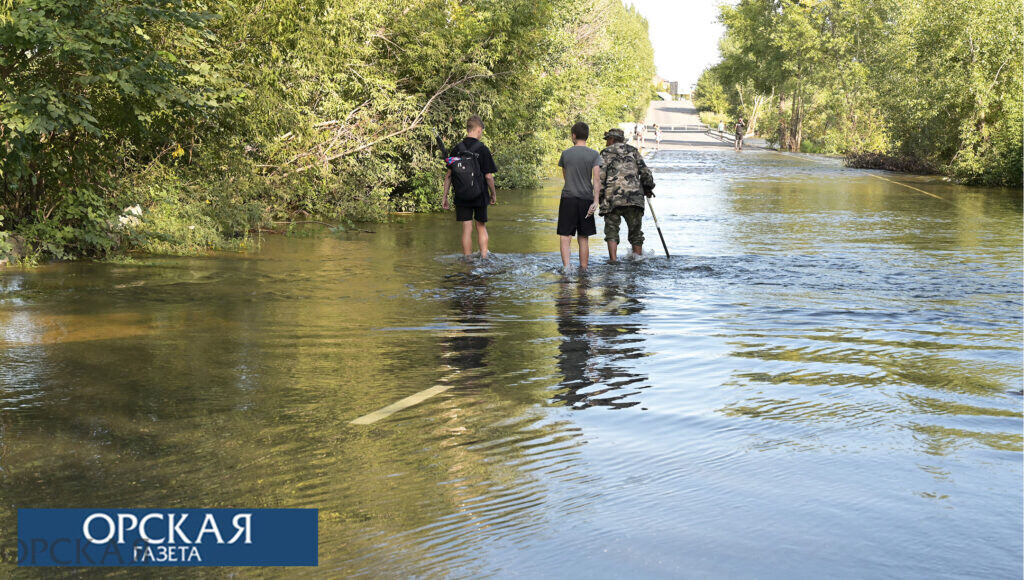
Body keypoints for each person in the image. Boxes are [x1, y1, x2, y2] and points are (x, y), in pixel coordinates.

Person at [442, 115, 498, 258]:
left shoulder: (456, 149)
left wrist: (445, 197)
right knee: (480, 226)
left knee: (466, 229)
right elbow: (488, 176)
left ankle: (467, 260)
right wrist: (493, 194)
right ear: (479, 130)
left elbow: (448, 175)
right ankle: (484, 258)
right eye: (482, 131)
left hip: (461, 195)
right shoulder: (483, 149)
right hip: (479, 195)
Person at [598, 128, 655, 262]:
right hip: (634, 198)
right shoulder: (633, 151)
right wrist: (648, 187)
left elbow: (600, 177)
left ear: (612, 139)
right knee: (636, 233)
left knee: (611, 231)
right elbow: (646, 172)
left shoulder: (605, 153)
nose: (606, 143)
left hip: (612, 199)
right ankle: (638, 260)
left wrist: (598, 197)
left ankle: (613, 260)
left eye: (607, 140)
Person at [557, 121, 602, 270]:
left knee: (565, 236)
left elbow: (566, 177)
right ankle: (583, 269)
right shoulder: (594, 155)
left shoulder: (566, 154)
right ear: (587, 136)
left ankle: (567, 268)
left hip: (568, 198)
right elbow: (596, 180)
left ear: (574, 136)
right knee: (583, 238)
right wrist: (596, 201)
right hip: (586, 200)